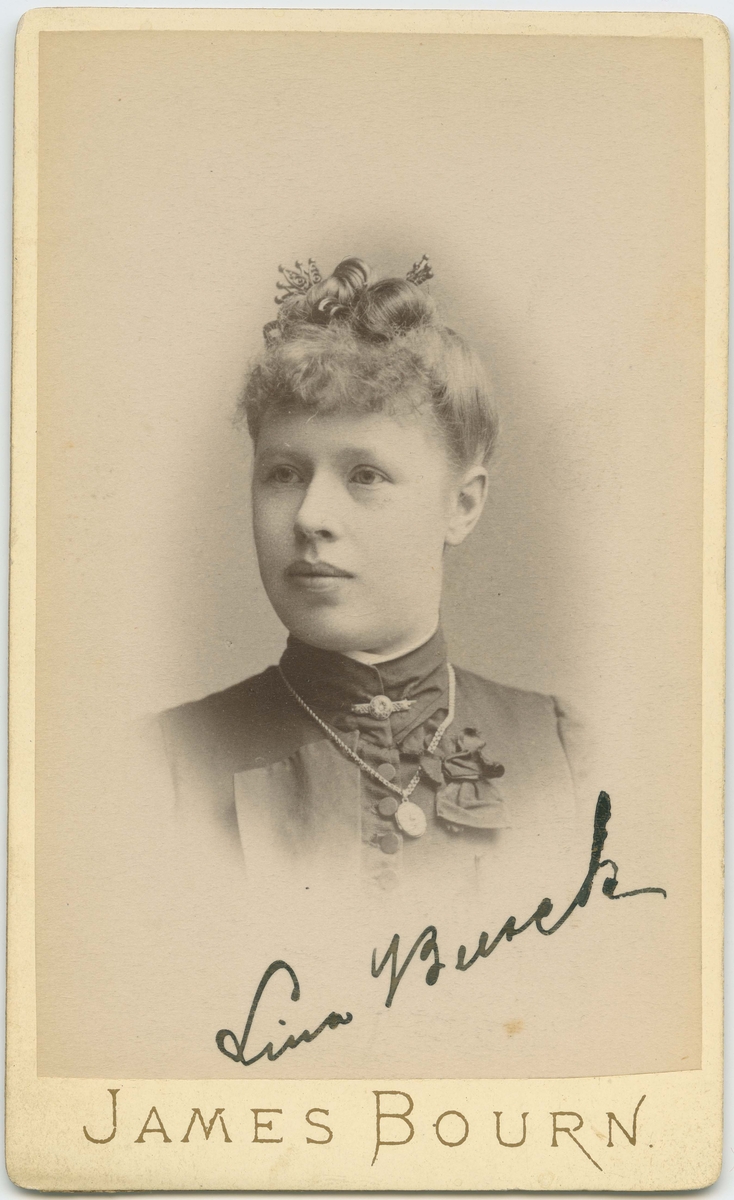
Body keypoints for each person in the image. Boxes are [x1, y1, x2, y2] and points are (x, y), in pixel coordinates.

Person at [161, 255, 587, 897]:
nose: (310, 517)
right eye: (283, 474)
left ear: (462, 505)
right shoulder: (160, 768)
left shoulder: (567, 758)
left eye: (366, 475)